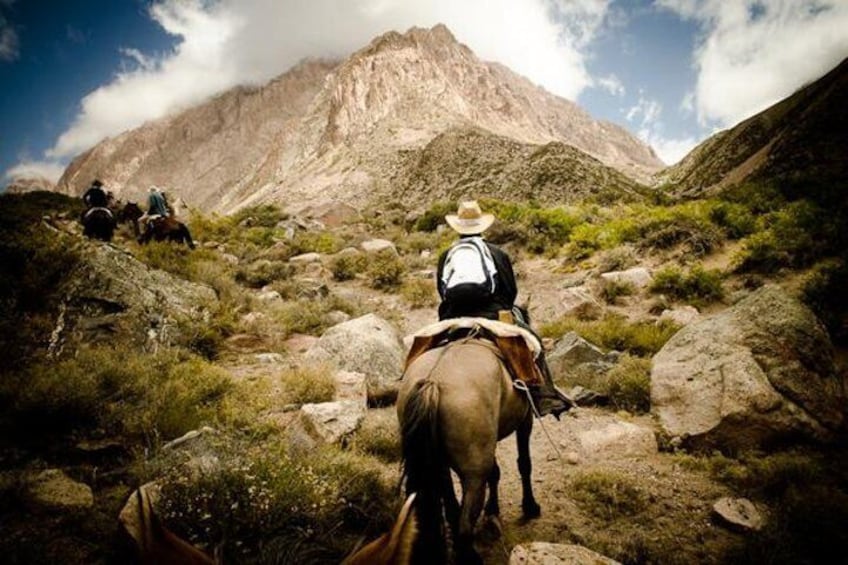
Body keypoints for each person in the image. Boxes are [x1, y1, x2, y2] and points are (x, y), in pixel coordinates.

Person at [436, 200, 573, 418]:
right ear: (482, 226)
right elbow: (510, 291)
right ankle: (543, 398)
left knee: (426, 346)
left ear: (458, 228)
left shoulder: (447, 255)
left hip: (453, 317)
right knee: (534, 344)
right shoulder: (497, 253)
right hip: (492, 316)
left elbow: (442, 291)